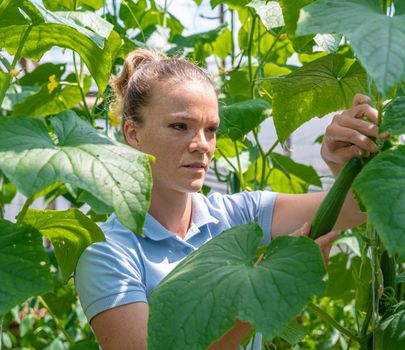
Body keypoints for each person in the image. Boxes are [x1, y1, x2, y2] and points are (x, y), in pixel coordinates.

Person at [74, 48, 386, 350]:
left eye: (210, 130)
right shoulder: (107, 254)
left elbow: (357, 209)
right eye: (179, 126)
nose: (201, 145)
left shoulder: (237, 215)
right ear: (132, 133)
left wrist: (342, 163)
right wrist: (266, 290)